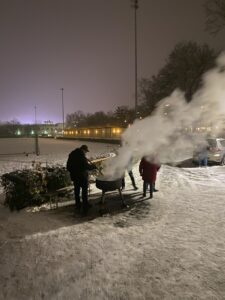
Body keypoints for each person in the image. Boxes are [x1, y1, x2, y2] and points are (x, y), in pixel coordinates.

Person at [66, 144, 97, 214]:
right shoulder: (81, 156)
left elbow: (68, 166)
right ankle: (85, 206)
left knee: (77, 191)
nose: (86, 153)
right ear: (83, 150)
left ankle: (78, 205)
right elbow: (86, 166)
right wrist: (93, 166)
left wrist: (73, 171)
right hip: (82, 177)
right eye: (86, 152)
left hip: (74, 176)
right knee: (84, 192)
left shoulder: (72, 154)